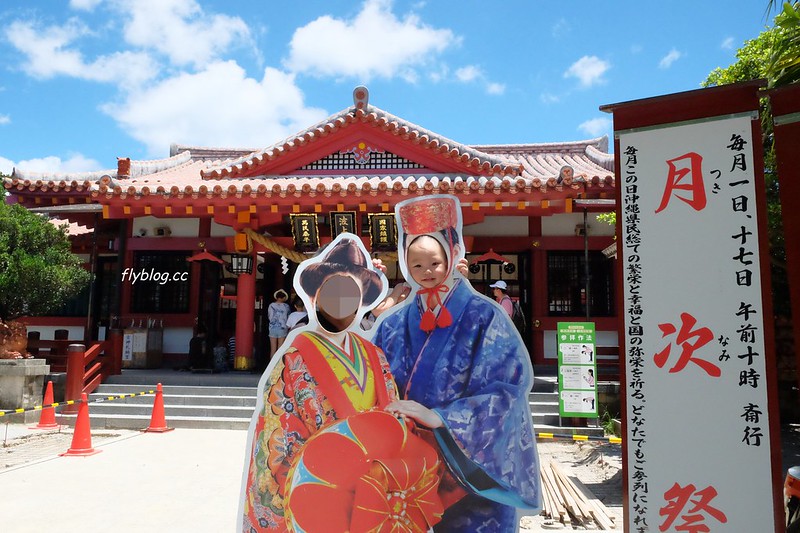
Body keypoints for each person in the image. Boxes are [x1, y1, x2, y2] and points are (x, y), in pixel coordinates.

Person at [240, 235, 446, 533]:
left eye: (349, 293)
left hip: (374, 489)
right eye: (331, 292)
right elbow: (278, 437)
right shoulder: (295, 359)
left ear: (362, 301)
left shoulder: (373, 354)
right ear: (314, 299)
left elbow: (393, 418)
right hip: (321, 487)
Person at [372, 194, 541, 532]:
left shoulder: (485, 317)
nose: (427, 272)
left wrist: (443, 419)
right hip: (406, 471)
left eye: (434, 262)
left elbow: (507, 391)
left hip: (470, 473)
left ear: (451, 255)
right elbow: (375, 384)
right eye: (416, 265)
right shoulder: (391, 324)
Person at [267, 289, 290, 359]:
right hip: (282, 328)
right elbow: (288, 317)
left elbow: (269, 316)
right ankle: (279, 366)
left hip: (272, 328)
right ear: (283, 298)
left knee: (273, 348)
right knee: (280, 348)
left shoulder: (271, 305)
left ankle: (272, 366)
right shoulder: (286, 306)